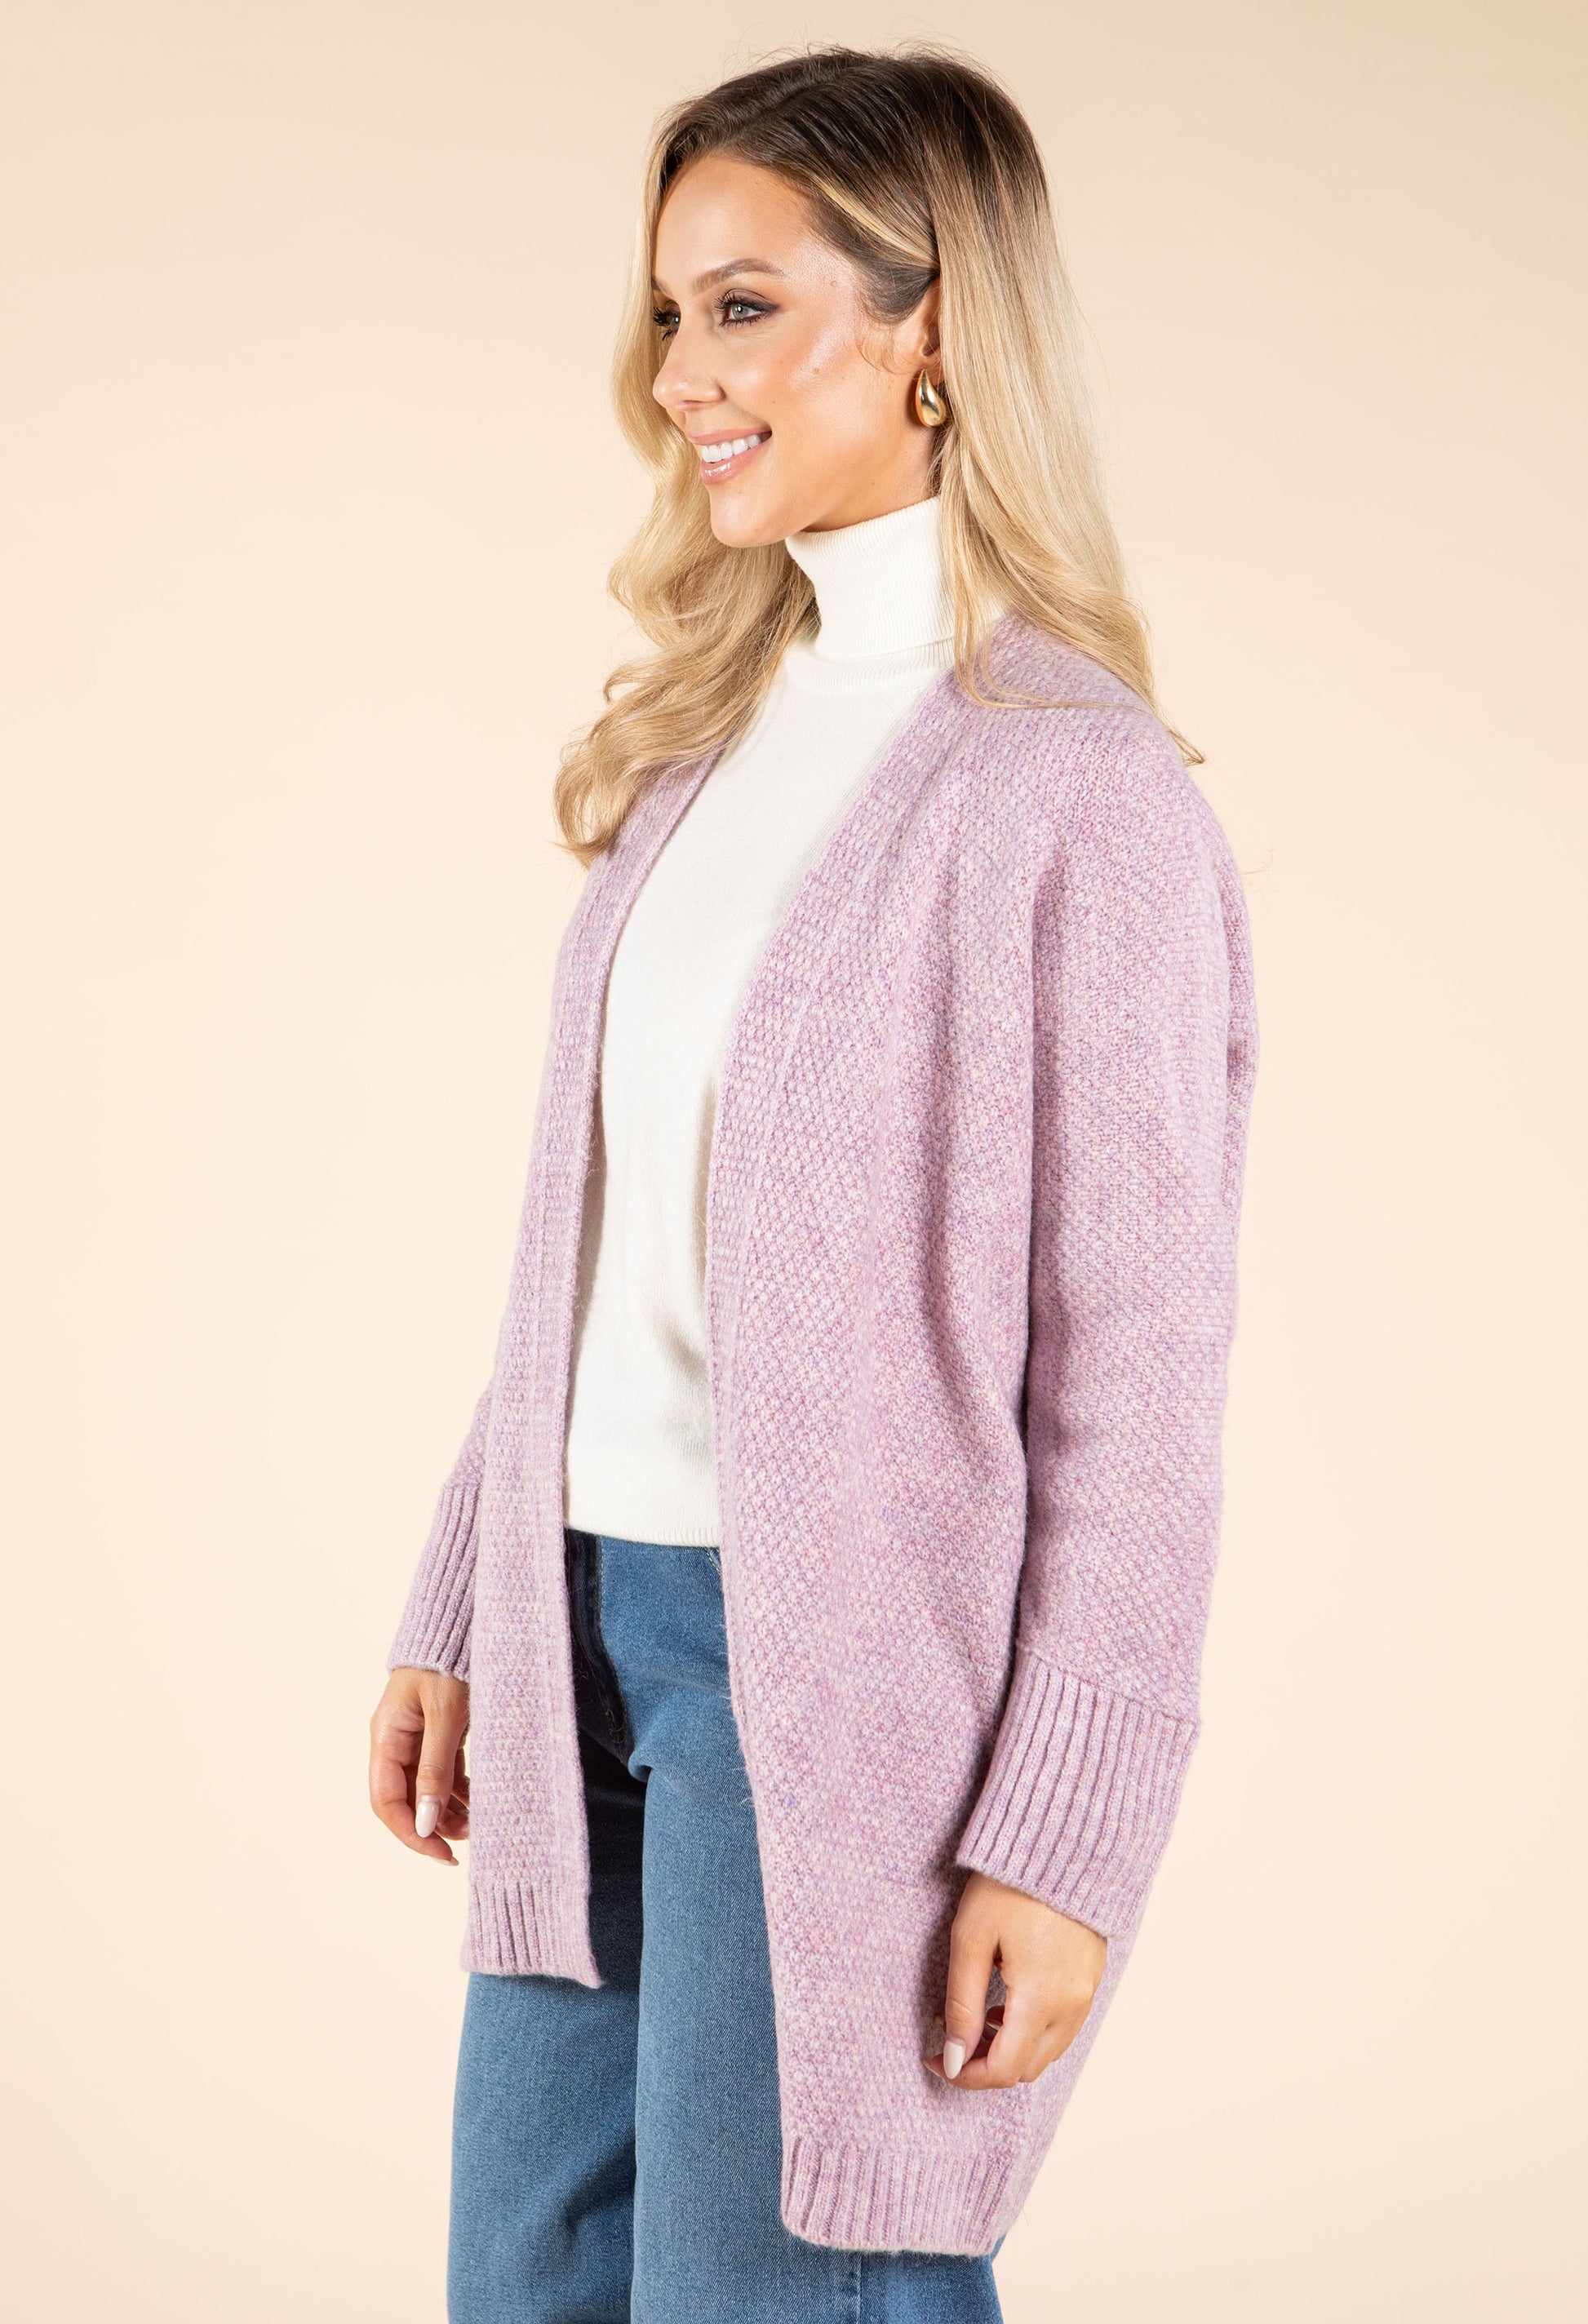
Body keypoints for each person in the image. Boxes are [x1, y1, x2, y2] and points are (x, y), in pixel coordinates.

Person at [368, 43, 1257, 2324]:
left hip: (833, 1690)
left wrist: (1061, 1836)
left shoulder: (1079, 802)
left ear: (932, 324)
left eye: (744, 308)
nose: (681, 373)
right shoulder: (698, 747)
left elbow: (1138, 1385)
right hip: (583, 1642)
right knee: (528, 2290)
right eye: (672, 312)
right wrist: (470, 1597)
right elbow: (587, 1251)